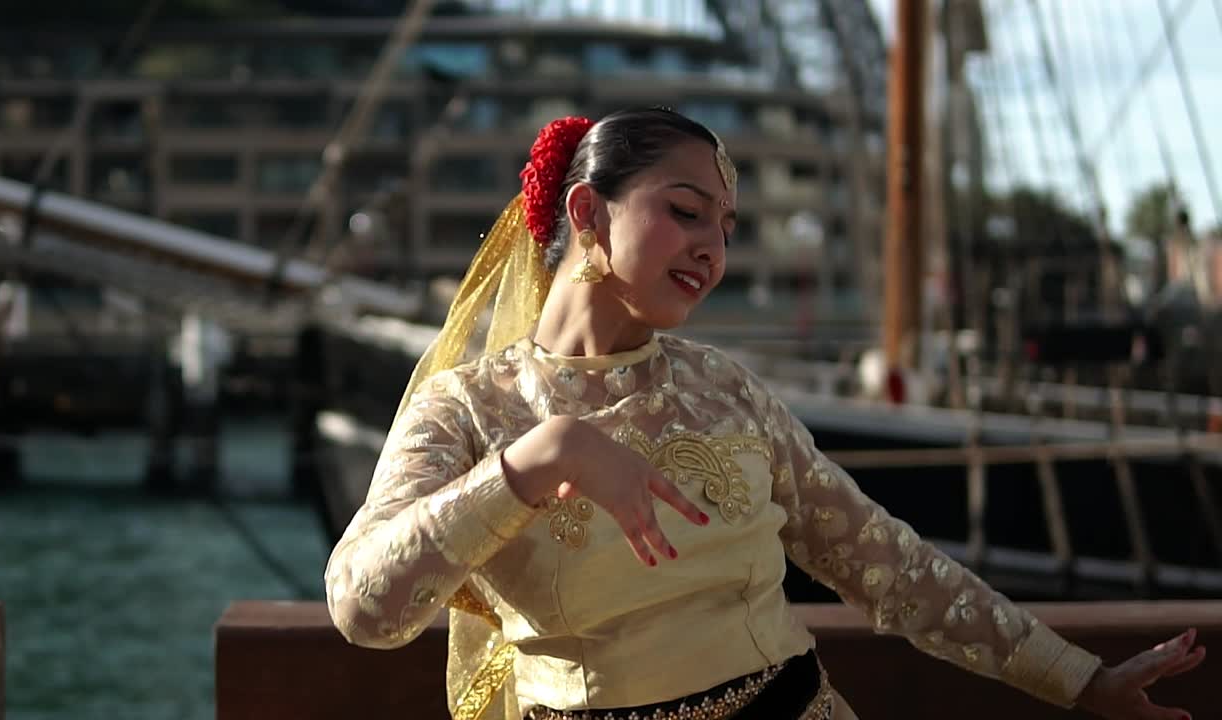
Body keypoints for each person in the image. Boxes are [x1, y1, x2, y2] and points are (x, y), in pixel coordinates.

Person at [325, 108, 1205, 720]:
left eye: (728, 227)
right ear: (588, 213)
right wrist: (541, 457)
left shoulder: (726, 391)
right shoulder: (475, 408)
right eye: (684, 212)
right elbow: (366, 607)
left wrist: (1083, 683)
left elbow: (888, 566)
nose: (712, 248)